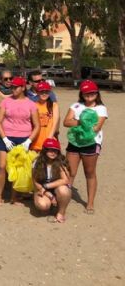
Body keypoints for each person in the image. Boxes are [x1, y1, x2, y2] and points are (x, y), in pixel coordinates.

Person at [63, 80, 107, 214]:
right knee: (69, 172)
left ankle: (90, 203)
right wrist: (84, 122)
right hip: (74, 143)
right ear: (81, 93)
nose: (89, 95)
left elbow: (97, 127)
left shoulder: (101, 108)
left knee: (90, 173)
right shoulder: (76, 105)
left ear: (97, 93)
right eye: (86, 93)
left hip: (91, 144)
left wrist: (77, 122)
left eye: (92, 92)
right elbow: (66, 122)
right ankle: (64, 197)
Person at [0, 76, 40, 205]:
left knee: (18, 168)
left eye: (16, 87)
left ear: (23, 87)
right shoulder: (6, 102)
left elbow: (37, 125)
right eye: (12, 86)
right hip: (7, 136)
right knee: (1, 167)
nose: (13, 89)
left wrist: (28, 141)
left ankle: (14, 197)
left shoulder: (31, 104)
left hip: (23, 138)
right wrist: (5, 139)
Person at [32, 138, 71, 223]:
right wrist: (48, 194)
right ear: (44, 150)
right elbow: (35, 182)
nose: (53, 152)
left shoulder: (61, 161)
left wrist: (46, 186)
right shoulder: (36, 162)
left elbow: (65, 180)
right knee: (43, 206)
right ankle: (52, 203)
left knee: (64, 190)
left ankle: (61, 212)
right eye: (49, 150)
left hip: (56, 187)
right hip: (41, 189)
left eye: (55, 150)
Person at [31, 81, 60, 152]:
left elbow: (55, 124)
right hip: (36, 141)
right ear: (37, 92)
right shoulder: (33, 105)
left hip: (49, 140)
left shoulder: (54, 105)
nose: (44, 94)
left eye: (46, 92)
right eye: (41, 92)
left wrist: (49, 138)